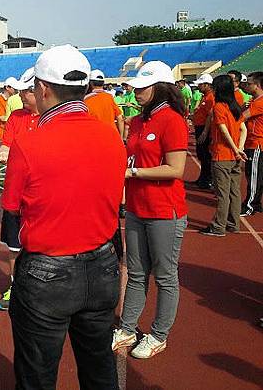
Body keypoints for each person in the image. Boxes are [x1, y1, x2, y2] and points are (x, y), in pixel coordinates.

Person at [2, 45, 126, 390]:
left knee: (37, 375)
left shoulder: (30, 142)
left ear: (43, 89)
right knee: (99, 367)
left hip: (46, 273)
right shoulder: (112, 137)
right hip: (102, 266)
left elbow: (11, 206)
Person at [111, 61, 188, 360]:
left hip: (164, 209)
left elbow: (176, 168)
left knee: (166, 276)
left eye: (142, 87)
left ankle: (159, 334)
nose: (136, 91)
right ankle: (128, 328)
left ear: (160, 88)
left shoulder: (172, 120)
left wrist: (132, 174)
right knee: (137, 272)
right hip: (137, 208)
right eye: (136, 87)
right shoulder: (140, 121)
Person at [0, 67, 39, 312]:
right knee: (14, 245)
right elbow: (6, 144)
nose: (21, 95)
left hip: (41, 196)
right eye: (20, 91)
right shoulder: (16, 117)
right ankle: (15, 286)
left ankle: (38, 289)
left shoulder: (50, 119)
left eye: (26, 91)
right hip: (15, 194)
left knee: (41, 244)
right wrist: (3, 151)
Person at [200, 75, 247, 236]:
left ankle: (218, 226)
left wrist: (235, 149)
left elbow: (222, 129)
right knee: (235, 192)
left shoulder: (219, 106)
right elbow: (243, 130)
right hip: (234, 158)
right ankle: (234, 223)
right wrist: (239, 149)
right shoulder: (234, 107)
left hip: (222, 155)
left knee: (222, 193)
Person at [241, 72, 263, 216]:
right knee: (256, 175)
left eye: (249, 84)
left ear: (258, 85)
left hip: (256, 143)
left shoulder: (260, 103)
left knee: (253, 175)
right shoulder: (255, 101)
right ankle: (256, 202)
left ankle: (250, 205)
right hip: (253, 142)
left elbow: (242, 117)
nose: (247, 86)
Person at [84, 69, 125, 137]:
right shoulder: (109, 97)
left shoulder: (86, 100)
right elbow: (120, 118)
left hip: (96, 137)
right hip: (112, 136)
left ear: (90, 83)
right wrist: (120, 137)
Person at [193, 73, 216, 189]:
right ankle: (203, 177)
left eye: (200, 85)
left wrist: (205, 132)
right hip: (199, 127)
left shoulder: (210, 97)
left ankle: (207, 179)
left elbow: (210, 116)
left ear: (207, 85)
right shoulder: (205, 96)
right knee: (201, 154)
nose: (198, 87)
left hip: (203, 128)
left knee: (205, 155)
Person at [0, 78, 16, 145]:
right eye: (14, 87)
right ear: (7, 88)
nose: (16, 89)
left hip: (13, 133)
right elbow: (2, 118)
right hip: (2, 133)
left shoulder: (14, 99)